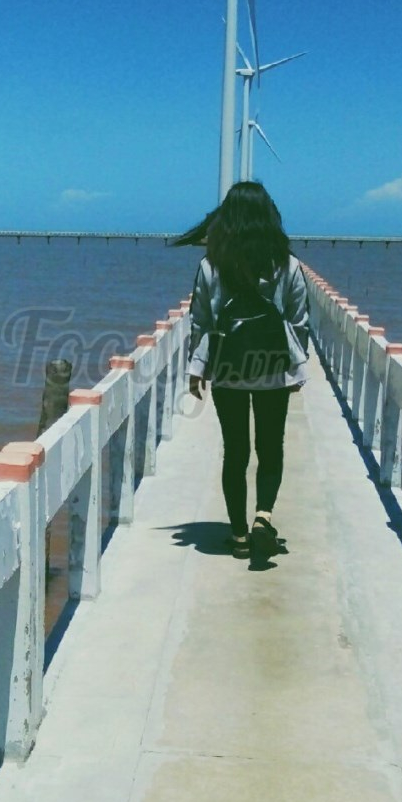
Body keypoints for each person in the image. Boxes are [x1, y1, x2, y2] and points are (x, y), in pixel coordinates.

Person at [171, 181, 310, 558]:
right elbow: (299, 320)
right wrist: (296, 368)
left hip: (228, 368)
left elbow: (201, 321)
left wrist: (197, 368)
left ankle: (239, 537)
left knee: (235, 451)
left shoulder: (210, 265)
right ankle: (263, 517)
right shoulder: (288, 264)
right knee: (271, 447)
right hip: (273, 368)